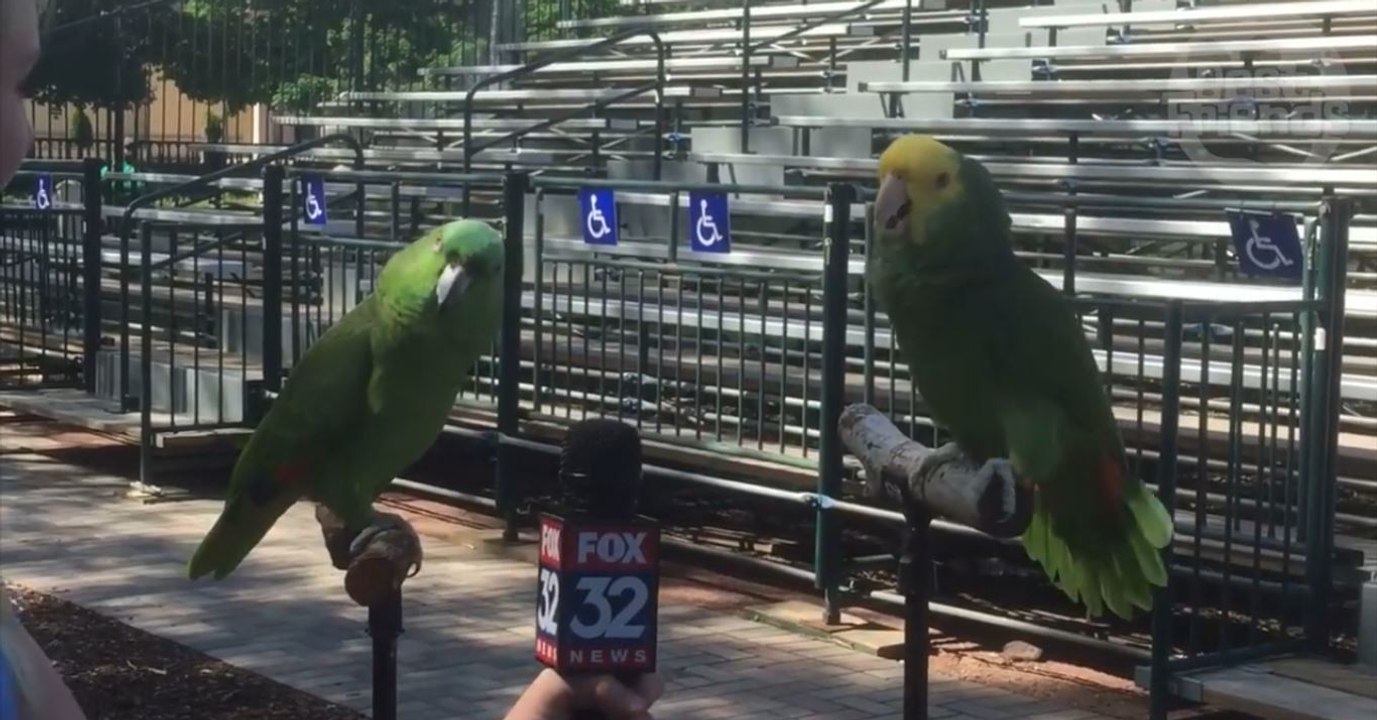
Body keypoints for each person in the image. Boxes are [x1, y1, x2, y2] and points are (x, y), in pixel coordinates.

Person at [0, 1, 663, 717]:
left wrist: (550, 706)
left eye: (24, 87)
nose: (21, 127)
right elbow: (303, 440)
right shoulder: (368, 342)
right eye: (17, 84)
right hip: (288, 466)